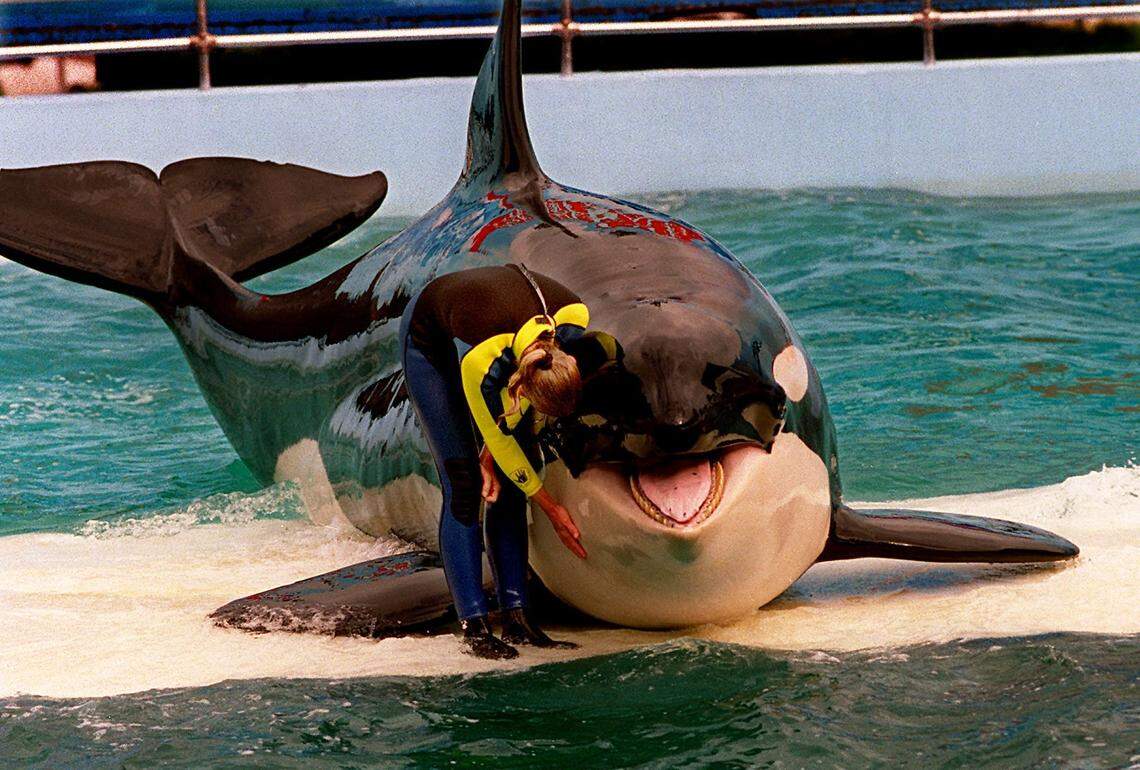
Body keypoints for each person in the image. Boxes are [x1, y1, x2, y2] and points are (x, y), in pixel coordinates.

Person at [399, 263, 595, 659]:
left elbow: (510, 426)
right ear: (522, 385)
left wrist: (500, 456)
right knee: (465, 483)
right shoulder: (481, 363)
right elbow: (497, 434)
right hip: (427, 338)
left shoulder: (575, 323)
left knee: (509, 483)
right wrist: (553, 509)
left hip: (511, 332)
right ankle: (474, 627)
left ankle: (518, 617)